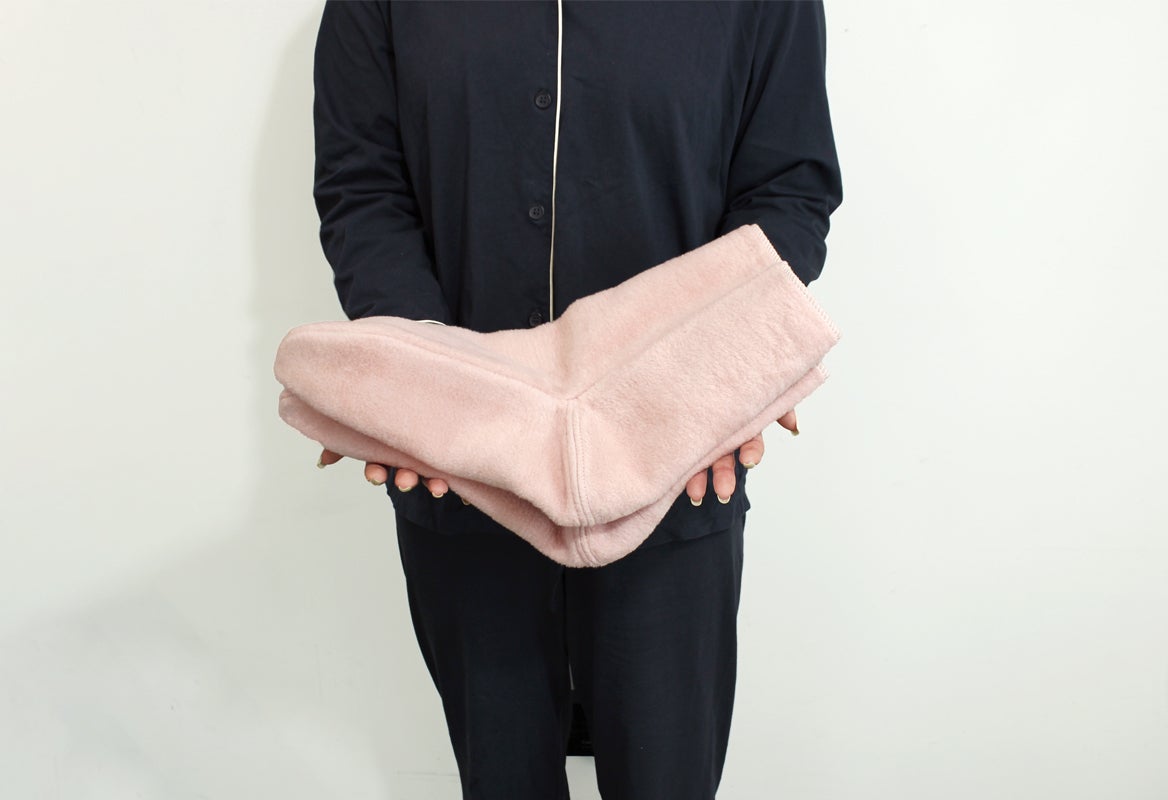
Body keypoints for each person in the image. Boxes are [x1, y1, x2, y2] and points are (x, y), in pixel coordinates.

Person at [309, 1, 842, 797]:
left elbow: (788, 190)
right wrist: (421, 382)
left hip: (675, 466)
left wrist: (722, 371)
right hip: (463, 471)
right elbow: (364, 187)